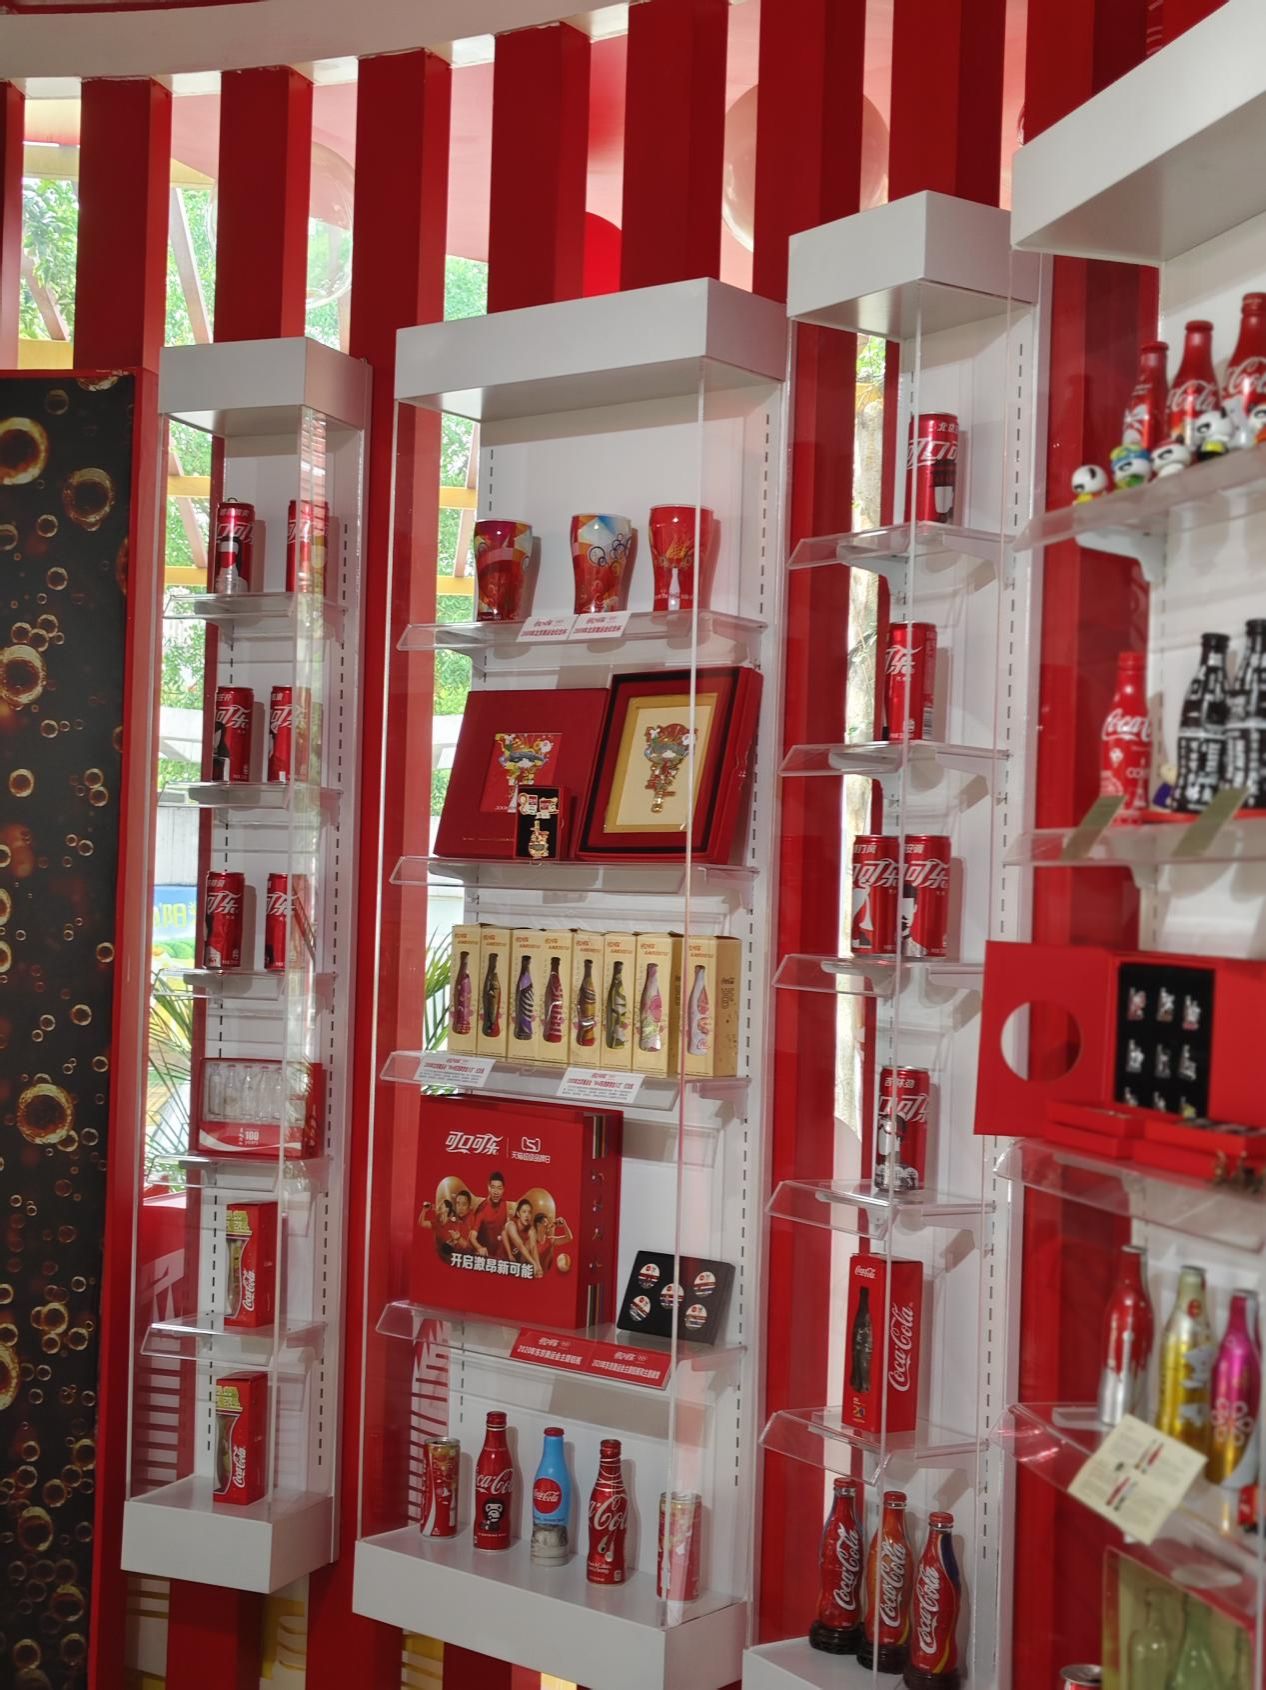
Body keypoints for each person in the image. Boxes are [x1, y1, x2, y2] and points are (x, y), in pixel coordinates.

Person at [503, 1198, 542, 1277]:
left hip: (516, 1262)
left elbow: (533, 1248)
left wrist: (539, 1267)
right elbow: (520, 1245)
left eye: (529, 1212)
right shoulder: (511, 1225)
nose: (527, 1215)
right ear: (518, 1214)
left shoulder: (531, 1229)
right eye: (524, 1212)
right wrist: (533, 1263)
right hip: (502, 1260)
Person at [473, 1171, 509, 1258]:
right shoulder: (482, 1208)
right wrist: (479, 1248)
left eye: (499, 1188)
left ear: (503, 1189)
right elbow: (472, 1236)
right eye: (493, 1187)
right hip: (485, 1255)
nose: (496, 1192)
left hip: (499, 1254)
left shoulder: (504, 1204)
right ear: (488, 1188)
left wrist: (509, 1254)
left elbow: (503, 1230)